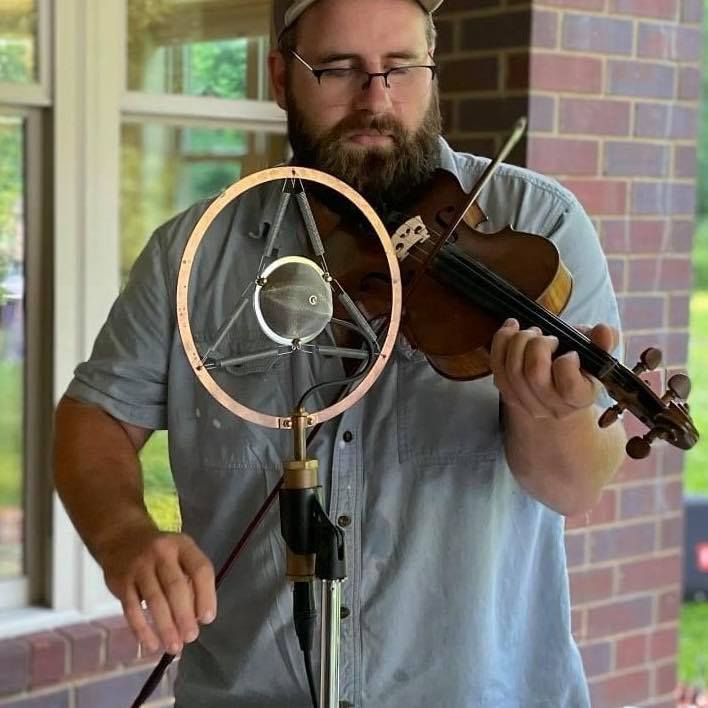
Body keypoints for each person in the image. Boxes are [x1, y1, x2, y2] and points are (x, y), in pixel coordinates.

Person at [53, 0, 628, 705]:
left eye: (401, 67)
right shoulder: (194, 252)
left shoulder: (537, 225)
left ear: (433, 69)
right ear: (279, 76)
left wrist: (549, 413)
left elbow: (574, 488)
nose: (376, 99)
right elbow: (96, 417)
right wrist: (124, 536)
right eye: (338, 68)